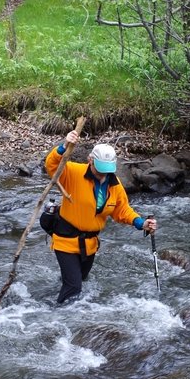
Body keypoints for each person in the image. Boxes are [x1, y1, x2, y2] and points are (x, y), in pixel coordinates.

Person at [44, 129, 158, 304]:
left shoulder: (114, 184)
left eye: (107, 169)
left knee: (80, 280)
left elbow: (122, 210)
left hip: (89, 245)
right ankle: (56, 317)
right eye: (100, 169)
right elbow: (52, 165)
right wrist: (64, 146)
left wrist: (141, 223)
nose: (104, 174)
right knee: (74, 288)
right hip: (65, 240)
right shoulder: (73, 173)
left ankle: (63, 301)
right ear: (90, 160)